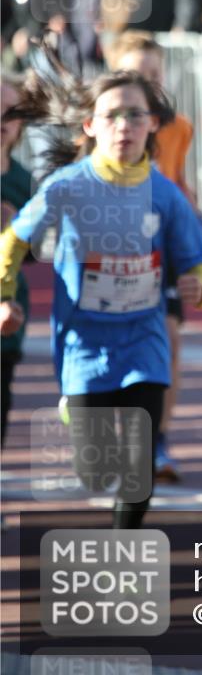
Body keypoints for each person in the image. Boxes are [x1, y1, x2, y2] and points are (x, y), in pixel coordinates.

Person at [0, 57, 202, 526]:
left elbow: (197, 261)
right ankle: (74, 413)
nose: (124, 126)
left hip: (144, 339)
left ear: (152, 124)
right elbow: (14, 238)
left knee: (139, 467)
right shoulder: (69, 186)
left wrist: (199, 285)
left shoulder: (164, 195)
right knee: (96, 470)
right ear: (91, 125)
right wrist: (3, 295)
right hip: (84, 343)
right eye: (112, 115)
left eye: (135, 114)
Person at [108, 30, 202, 482]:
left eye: (154, 73)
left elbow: (177, 178)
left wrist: (193, 219)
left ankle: (158, 443)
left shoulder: (177, 126)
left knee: (168, 339)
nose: (148, 82)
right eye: (137, 73)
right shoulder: (101, 123)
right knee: (115, 348)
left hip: (162, 247)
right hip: (112, 249)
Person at [0, 74, 33, 445]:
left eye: (10, 112)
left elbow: (38, 253)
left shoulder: (23, 181)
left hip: (8, 313)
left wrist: (19, 231)